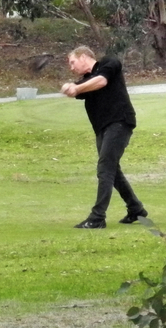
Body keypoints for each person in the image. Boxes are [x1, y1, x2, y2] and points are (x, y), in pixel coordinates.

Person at [61, 46, 147, 229]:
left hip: (119, 122)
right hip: (102, 129)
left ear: (83, 57)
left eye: (72, 62)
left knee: (105, 169)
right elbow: (84, 86)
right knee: (113, 171)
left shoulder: (109, 62)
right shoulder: (86, 80)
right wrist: (72, 87)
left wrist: (75, 88)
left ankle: (97, 217)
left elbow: (101, 81)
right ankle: (136, 209)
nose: (71, 67)